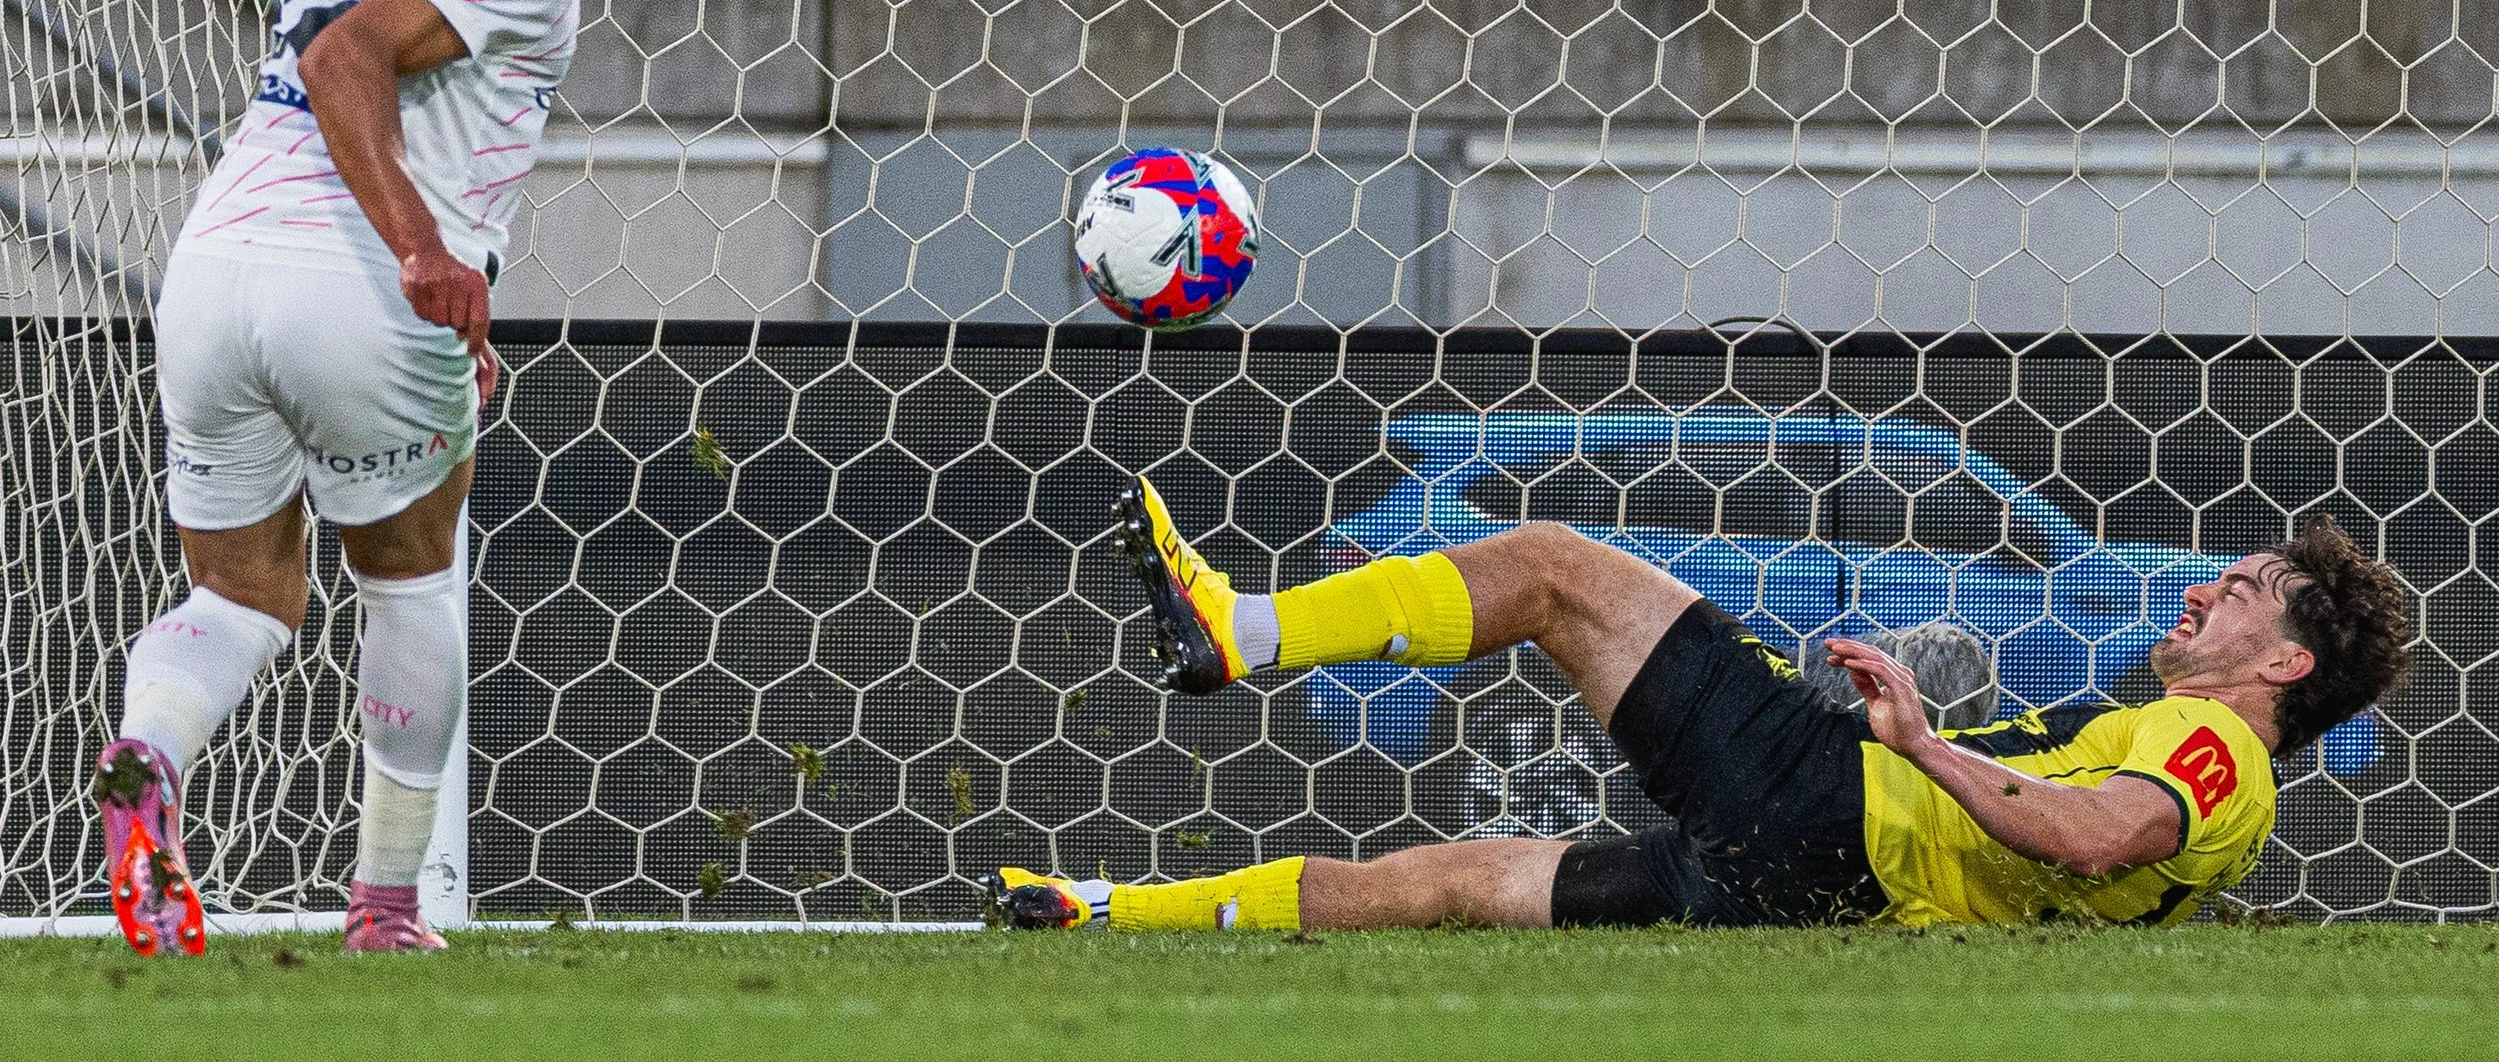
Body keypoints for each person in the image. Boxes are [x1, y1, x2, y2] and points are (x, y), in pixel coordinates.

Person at [93, 0, 658, 957]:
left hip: (214, 267)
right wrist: (426, 250)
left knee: (238, 599)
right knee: (410, 585)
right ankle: (389, 908)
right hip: (355, 284)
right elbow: (354, 54)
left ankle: (144, 758)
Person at [988, 481, 2411, 932]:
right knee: (1457, 882)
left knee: (1548, 569)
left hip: (1837, 803)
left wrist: (1917, 744)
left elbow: (2102, 833)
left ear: (2285, 663)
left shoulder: (2218, 747)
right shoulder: (2216, 748)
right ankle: (1099, 912)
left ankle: (1240, 630)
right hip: (1819, 893)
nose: (2200, 594)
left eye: (2239, 591)